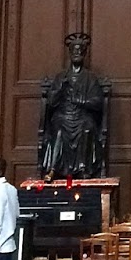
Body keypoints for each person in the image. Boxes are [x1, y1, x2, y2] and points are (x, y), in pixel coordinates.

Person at [38, 31, 110, 179]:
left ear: (84, 54)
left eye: (80, 51)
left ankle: (83, 168)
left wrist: (82, 102)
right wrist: (60, 89)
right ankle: (53, 169)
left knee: (87, 127)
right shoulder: (61, 77)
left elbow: (98, 102)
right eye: (74, 51)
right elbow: (51, 102)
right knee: (58, 127)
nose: (77, 53)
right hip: (64, 115)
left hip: (82, 116)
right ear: (70, 54)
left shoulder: (90, 78)